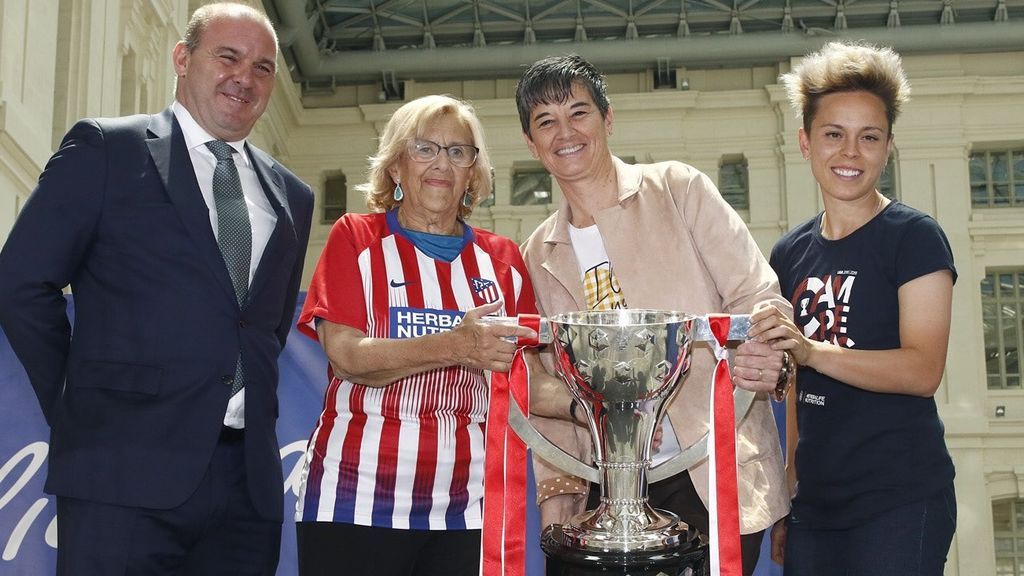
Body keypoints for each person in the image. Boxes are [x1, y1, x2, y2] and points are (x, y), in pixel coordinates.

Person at [0, 3, 313, 574]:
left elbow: (261, 328)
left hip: (249, 492)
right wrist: (78, 405)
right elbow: (21, 282)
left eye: (263, 66)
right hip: (119, 472)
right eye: (228, 56)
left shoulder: (293, 196)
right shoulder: (107, 149)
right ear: (182, 58)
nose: (245, 76)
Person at [517, 54, 792, 575]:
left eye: (579, 113)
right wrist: (561, 501)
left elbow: (757, 297)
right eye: (545, 122)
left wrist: (767, 350)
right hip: (607, 490)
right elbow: (548, 389)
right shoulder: (536, 254)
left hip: (708, 471)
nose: (565, 132)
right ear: (531, 144)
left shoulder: (678, 189)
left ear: (608, 119)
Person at [294, 94, 542, 576]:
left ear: (474, 172)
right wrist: (455, 344)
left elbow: (528, 382)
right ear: (395, 166)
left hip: (468, 507)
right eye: (424, 148)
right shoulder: (356, 238)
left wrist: (602, 403)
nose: (441, 164)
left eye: (458, 151)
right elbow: (345, 356)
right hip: (354, 497)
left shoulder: (505, 261)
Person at [751, 41, 958, 575]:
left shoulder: (914, 238)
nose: (851, 152)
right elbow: (792, 386)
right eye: (833, 135)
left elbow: (922, 369)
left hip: (899, 497)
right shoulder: (789, 253)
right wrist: (786, 494)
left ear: (888, 147)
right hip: (815, 506)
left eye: (869, 137)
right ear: (805, 142)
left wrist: (815, 353)